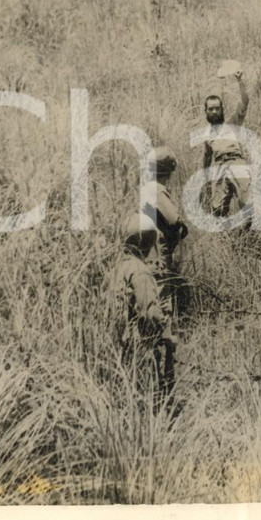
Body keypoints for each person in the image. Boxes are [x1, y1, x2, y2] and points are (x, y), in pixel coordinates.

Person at [105, 212, 177, 410]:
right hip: (138, 349)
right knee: (148, 401)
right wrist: (168, 338)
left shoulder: (116, 268)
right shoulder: (140, 271)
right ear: (147, 241)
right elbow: (151, 313)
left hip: (117, 346)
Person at [141, 146, 189, 313]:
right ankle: (163, 334)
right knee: (162, 296)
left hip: (143, 248)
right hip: (157, 250)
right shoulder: (157, 190)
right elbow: (173, 220)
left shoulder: (144, 187)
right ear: (168, 171)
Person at [202, 67, 251, 218]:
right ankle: (226, 238)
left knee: (248, 203)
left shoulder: (232, 123)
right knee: (217, 210)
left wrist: (240, 80)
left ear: (222, 110)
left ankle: (250, 237)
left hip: (236, 162)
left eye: (217, 108)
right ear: (206, 112)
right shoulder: (206, 134)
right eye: (211, 109)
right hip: (218, 167)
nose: (215, 112)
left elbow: (244, 102)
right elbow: (206, 158)